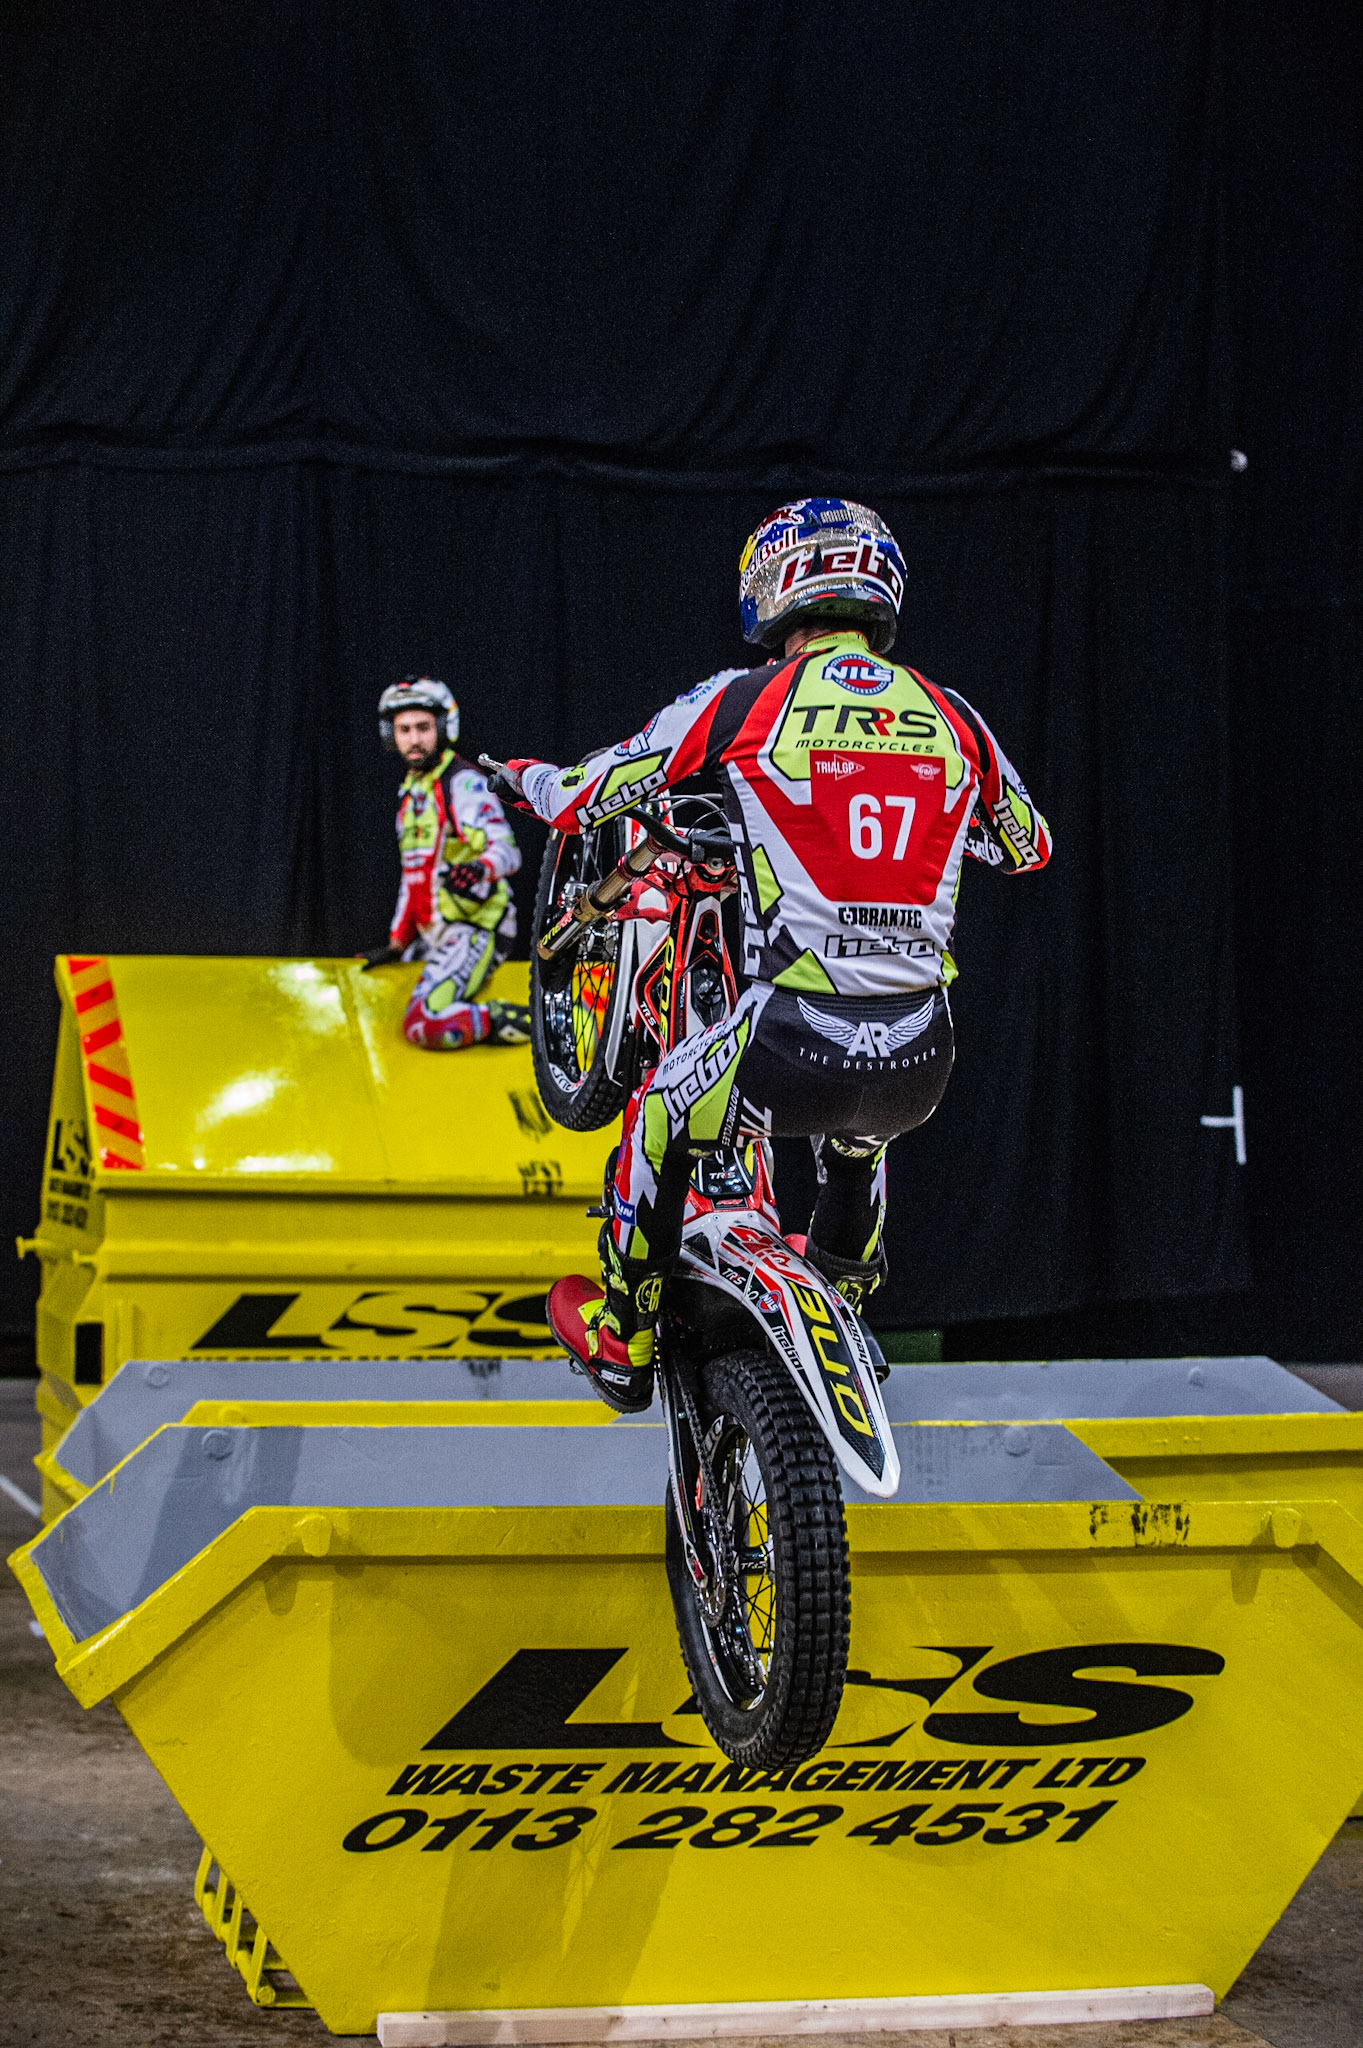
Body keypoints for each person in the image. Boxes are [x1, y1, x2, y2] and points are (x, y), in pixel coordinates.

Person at [499, 500, 1051, 1412]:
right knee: (859, 1139)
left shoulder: (739, 701)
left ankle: (620, 1336)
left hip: (784, 1046)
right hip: (923, 1056)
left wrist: (519, 775)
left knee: (655, 1122)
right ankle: (849, 1311)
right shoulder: (956, 717)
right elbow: (1024, 845)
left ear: (774, 589)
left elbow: (578, 798)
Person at [362, 677, 531, 1049]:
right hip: (433, 934)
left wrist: (479, 869)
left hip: (474, 929)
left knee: (424, 1025)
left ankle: (519, 1020)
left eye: (422, 727)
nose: (413, 739)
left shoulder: (463, 785)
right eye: (403, 729)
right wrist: (396, 942)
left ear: (442, 728)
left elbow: (508, 852)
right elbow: (412, 877)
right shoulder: (412, 792)